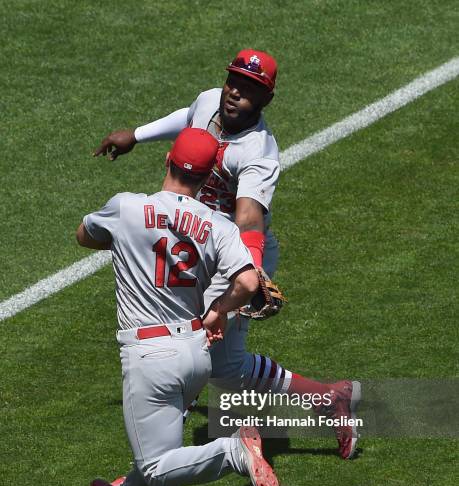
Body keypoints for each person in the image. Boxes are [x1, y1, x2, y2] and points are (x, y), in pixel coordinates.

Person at [94, 49, 361, 460]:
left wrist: (249, 275)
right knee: (223, 367)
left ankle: (152, 469)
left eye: (250, 89)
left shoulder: (257, 153)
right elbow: (188, 115)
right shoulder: (209, 101)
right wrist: (137, 134)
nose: (235, 92)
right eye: (234, 81)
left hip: (235, 255)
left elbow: (250, 220)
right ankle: (330, 399)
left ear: (266, 99)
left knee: (191, 344)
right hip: (202, 246)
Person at [77, 127, 279, 486]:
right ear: (207, 179)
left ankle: (233, 453)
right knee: (161, 436)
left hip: (150, 356)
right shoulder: (219, 226)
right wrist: (219, 311)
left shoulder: (127, 208)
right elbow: (246, 282)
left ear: (167, 159)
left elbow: (84, 236)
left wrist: (130, 243)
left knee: (157, 465)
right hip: (196, 351)